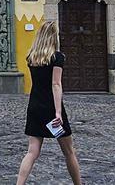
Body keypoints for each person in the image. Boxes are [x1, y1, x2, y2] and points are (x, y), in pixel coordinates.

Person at [16, 21, 82, 185]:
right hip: (51, 109)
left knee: (32, 152)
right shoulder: (57, 57)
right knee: (68, 151)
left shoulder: (31, 57)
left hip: (35, 106)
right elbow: (56, 84)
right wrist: (58, 112)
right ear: (54, 37)